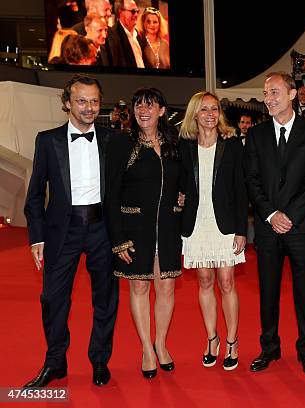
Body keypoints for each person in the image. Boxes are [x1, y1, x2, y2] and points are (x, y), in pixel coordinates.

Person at [23, 74, 119, 388]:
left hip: (103, 229)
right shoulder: (47, 140)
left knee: (105, 297)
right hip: (60, 231)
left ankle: (100, 359)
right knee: (52, 298)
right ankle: (55, 362)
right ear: (67, 103)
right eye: (82, 100)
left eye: (94, 101)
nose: (89, 107)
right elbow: (35, 193)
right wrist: (37, 236)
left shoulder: (111, 138)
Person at [244, 72, 305, 375]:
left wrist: (289, 215)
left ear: (292, 94)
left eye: (275, 92)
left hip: (300, 227)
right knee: (268, 291)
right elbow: (251, 180)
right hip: (267, 227)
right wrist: (270, 215)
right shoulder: (256, 134)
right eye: (266, 93)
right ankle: (269, 347)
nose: (269, 99)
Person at [105, 87, 185, 379]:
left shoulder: (175, 142)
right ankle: (146, 350)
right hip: (133, 228)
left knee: (166, 286)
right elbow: (110, 194)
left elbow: (185, 179)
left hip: (167, 228)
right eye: (139, 105)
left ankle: (161, 344)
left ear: (162, 111)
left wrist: (182, 197)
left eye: (150, 105)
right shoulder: (121, 143)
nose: (143, 110)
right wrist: (117, 240)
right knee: (139, 287)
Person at [179, 91, 248, 371]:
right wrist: (178, 198)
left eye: (215, 109)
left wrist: (242, 229)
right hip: (195, 224)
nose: (210, 114)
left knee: (227, 281)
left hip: (225, 224)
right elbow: (177, 183)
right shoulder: (184, 147)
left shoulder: (232, 146)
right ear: (194, 114)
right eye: (204, 109)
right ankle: (212, 338)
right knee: (205, 281)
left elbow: (241, 191)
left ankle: (232, 341)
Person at [107, 0, 144, 68]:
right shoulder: (113, 35)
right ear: (120, 11)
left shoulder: (139, 35)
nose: (136, 15)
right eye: (133, 11)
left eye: (137, 11)